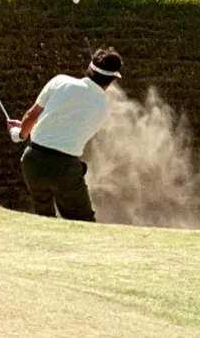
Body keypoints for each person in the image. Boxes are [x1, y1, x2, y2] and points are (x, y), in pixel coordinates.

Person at [7, 47, 123, 222]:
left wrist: (21, 133)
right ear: (112, 80)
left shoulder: (60, 81)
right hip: (65, 168)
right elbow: (68, 132)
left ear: (89, 68)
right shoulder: (103, 110)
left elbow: (31, 116)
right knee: (84, 224)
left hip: (32, 161)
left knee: (44, 219)